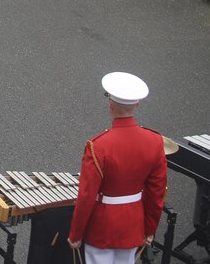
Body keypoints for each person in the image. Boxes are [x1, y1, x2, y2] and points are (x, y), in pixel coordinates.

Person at [67, 72, 167, 264]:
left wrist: (76, 233)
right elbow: (157, 193)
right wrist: (150, 229)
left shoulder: (98, 146)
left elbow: (86, 196)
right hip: (133, 224)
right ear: (137, 105)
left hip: (102, 226)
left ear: (110, 105)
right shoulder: (155, 142)